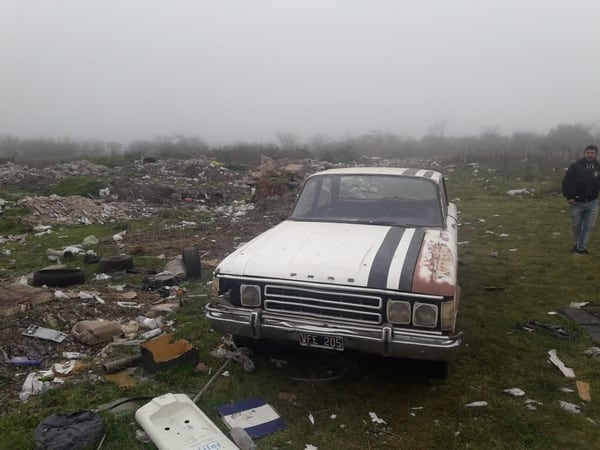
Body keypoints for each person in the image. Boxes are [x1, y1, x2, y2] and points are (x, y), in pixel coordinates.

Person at [562, 144, 600, 254]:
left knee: (589, 226)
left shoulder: (598, 167)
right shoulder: (576, 166)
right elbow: (566, 182)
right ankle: (577, 244)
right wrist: (569, 196)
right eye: (588, 153)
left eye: (592, 153)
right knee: (576, 226)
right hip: (577, 203)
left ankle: (580, 248)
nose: (590, 155)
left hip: (593, 203)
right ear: (584, 153)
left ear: (596, 154)